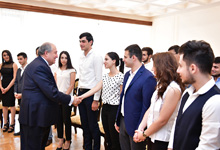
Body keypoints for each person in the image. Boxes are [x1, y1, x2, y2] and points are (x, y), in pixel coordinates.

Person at [19, 42, 81, 150]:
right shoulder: (39, 67)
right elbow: (51, 92)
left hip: (36, 115)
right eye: (55, 53)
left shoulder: (38, 64)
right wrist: (71, 99)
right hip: (35, 116)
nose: (57, 56)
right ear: (46, 53)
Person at [168, 40, 220, 150]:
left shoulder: (214, 100)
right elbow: (177, 122)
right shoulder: (187, 92)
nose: (177, 70)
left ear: (193, 68)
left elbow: (208, 146)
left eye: (180, 66)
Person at [133, 52, 184, 150]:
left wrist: (143, 134)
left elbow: (162, 120)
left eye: (154, 66)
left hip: (163, 139)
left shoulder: (173, 89)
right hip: (152, 136)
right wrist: (140, 128)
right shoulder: (161, 84)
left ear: (162, 67)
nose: (152, 69)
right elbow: (151, 108)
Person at [79, 52, 124, 150]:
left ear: (114, 61)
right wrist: (81, 97)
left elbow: (122, 97)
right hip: (105, 109)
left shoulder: (121, 76)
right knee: (107, 136)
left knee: (114, 137)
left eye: (106, 59)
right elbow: (95, 88)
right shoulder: (105, 76)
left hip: (114, 109)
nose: (104, 62)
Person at [115, 44, 157, 150]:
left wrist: (140, 128)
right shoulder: (127, 75)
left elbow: (146, 106)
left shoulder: (148, 77)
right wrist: (118, 119)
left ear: (133, 57)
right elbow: (123, 98)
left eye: (125, 57)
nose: (123, 60)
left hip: (136, 124)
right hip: (123, 120)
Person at [77, 32, 103, 150]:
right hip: (81, 93)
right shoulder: (81, 56)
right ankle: (87, 147)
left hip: (92, 94)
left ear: (90, 42)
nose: (81, 44)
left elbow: (99, 80)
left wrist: (96, 99)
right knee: (85, 125)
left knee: (93, 125)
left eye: (83, 41)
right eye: (80, 41)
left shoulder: (96, 56)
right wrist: (78, 95)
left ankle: (96, 148)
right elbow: (82, 77)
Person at [54, 51, 76, 150]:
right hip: (58, 98)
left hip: (66, 98)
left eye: (65, 58)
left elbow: (72, 85)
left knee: (66, 120)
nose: (63, 60)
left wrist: (64, 96)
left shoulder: (72, 70)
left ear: (68, 59)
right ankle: (60, 139)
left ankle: (68, 140)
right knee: (58, 120)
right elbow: (55, 84)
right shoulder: (57, 70)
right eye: (62, 57)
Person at [0, 50, 18, 133]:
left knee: (12, 105)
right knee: (4, 105)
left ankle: (12, 123)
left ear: (10, 56)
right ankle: (5, 123)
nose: (6, 56)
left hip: (10, 86)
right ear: (2, 57)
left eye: (7, 55)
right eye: (4, 55)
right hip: (2, 87)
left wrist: (7, 88)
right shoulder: (1, 65)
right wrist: (1, 87)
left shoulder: (14, 65)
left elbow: (15, 78)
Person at [14, 52, 28, 136]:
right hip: (19, 96)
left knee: (27, 115)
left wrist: (23, 94)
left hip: (26, 96)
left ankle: (28, 132)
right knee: (21, 115)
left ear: (25, 59)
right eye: (18, 59)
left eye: (21, 59)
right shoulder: (19, 70)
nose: (19, 61)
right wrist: (15, 92)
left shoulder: (29, 69)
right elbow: (16, 82)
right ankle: (22, 131)